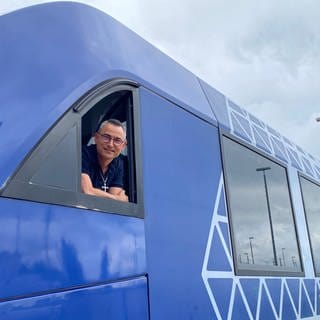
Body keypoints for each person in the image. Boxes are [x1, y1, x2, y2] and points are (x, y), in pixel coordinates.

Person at [81, 119, 128, 202]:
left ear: (123, 145)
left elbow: (116, 204)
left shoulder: (119, 163)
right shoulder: (83, 154)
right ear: (96, 138)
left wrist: (115, 199)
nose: (110, 144)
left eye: (117, 140)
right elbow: (87, 192)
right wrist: (117, 198)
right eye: (106, 137)